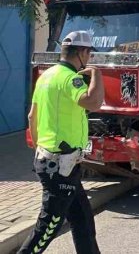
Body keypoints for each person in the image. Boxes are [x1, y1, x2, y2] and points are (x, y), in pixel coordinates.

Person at [20, 31, 104, 254]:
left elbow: (32, 117)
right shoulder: (71, 78)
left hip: (56, 161)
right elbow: (94, 102)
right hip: (60, 165)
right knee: (48, 226)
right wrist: (96, 75)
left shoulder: (46, 76)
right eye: (89, 55)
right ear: (82, 52)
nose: (89, 60)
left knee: (83, 219)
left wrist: (41, 148)